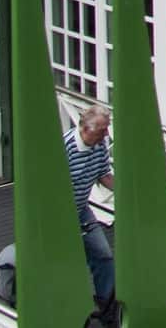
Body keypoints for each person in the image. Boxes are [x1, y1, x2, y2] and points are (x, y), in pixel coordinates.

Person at [64, 106, 116, 319]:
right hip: (60, 216)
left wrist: (128, 193)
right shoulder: (65, 148)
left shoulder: (99, 145)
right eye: (102, 130)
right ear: (85, 128)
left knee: (103, 255)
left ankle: (108, 310)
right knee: (64, 264)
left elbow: (104, 175)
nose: (106, 134)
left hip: (81, 210)